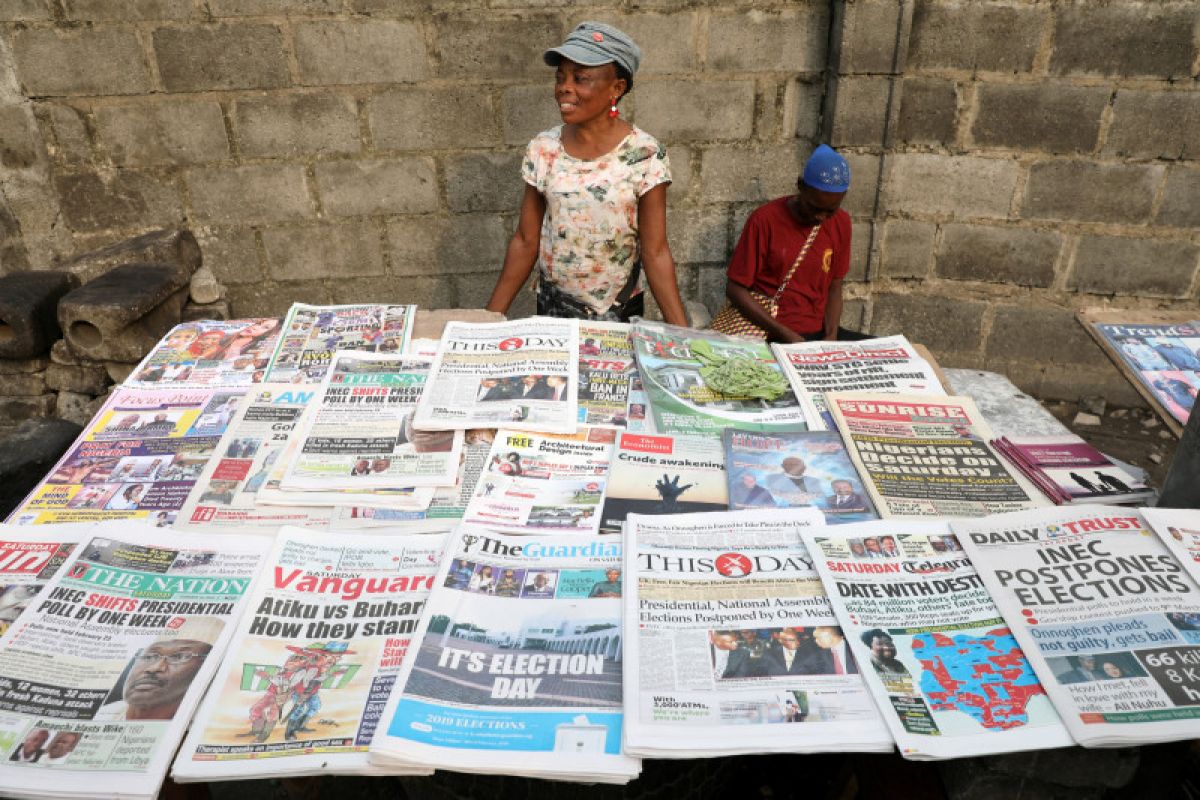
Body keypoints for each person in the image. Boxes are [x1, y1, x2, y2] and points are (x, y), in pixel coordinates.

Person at [485, 22, 687, 325]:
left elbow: (656, 252)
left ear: (616, 89)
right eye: (561, 77)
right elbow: (526, 240)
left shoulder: (644, 154)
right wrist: (488, 319)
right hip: (554, 308)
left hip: (617, 310)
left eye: (581, 78)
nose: (565, 87)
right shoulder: (544, 149)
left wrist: (682, 333)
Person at [724, 145, 866, 343]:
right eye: (814, 207)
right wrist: (784, 333)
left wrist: (831, 335)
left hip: (817, 333)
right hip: (772, 331)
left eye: (830, 211)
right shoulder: (765, 220)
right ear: (800, 186)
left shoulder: (841, 222)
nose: (821, 217)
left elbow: (835, 287)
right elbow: (735, 289)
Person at [96, 617, 223, 720]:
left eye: (179, 656)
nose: (154, 668)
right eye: (150, 656)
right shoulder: (103, 715)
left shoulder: (208, 722)